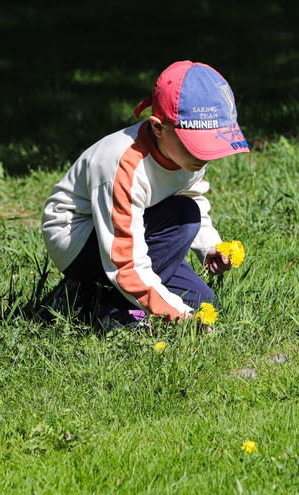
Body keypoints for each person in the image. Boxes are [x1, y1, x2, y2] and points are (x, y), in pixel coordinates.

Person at [39, 61, 249, 327]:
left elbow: (192, 196)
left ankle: (98, 296)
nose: (203, 155)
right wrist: (175, 313)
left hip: (133, 225)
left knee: (206, 302)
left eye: (211, 144)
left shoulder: (185, 156)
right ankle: (100, 305)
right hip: (79, 239)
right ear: (158, 127)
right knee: (182, 219)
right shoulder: (122, 165)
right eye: (196, 144)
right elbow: (125, 261)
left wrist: (208, 246)